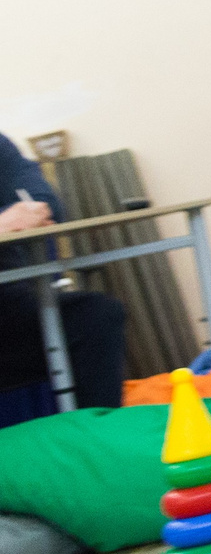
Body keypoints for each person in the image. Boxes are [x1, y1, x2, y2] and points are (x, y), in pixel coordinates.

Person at [0, 134, 127, 410]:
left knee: (96, 316)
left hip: (9, 306)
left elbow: (42, 202)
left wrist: (24, 214)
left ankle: (91, 439)